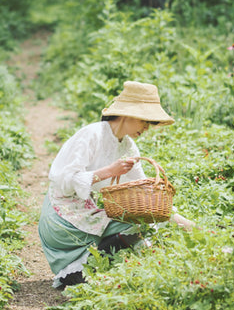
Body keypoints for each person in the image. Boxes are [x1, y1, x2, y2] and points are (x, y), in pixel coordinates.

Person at [38, 81, 192, 289]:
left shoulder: (128, 146)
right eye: (144, 120)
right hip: (61, 219)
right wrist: (109, 171)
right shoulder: (91, 134)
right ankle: (80, 271)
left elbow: (145, 194)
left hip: (85, 213)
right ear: (127, 113)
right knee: (133, 226)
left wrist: (190, 226)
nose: (147, 128)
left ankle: (89, 270)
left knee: (141, 222)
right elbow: (63, 180)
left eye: (150, 123)